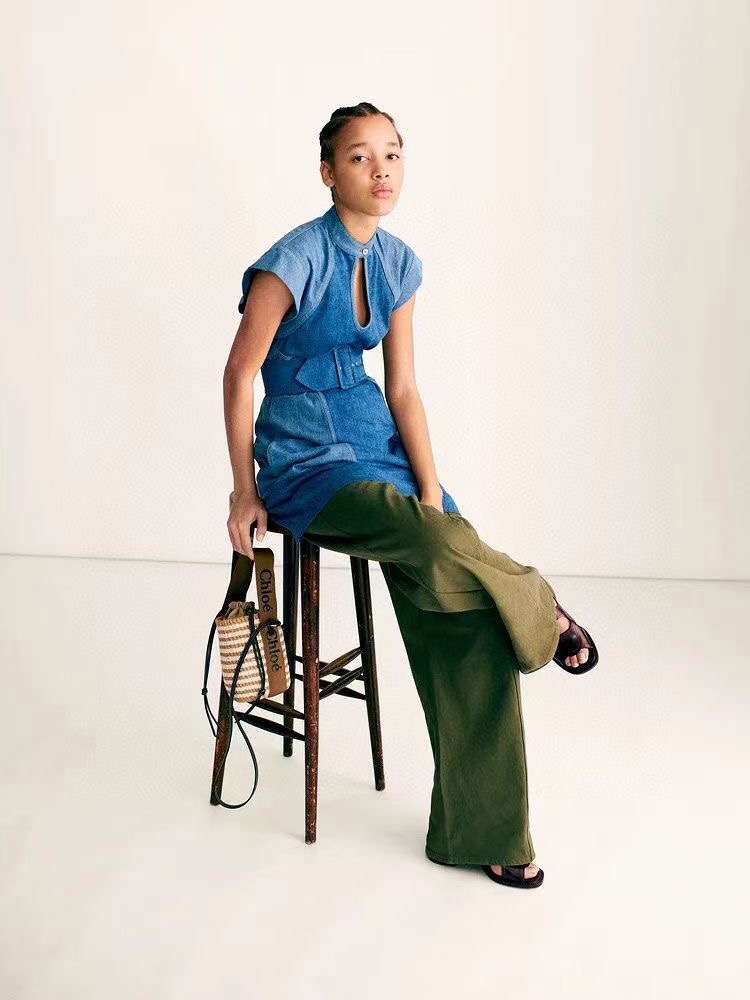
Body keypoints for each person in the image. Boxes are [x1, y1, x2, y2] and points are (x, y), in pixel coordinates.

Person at [223, 102, 599, 889]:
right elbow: (238, 374)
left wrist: (431, 487)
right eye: (360, 157)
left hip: (378, 443)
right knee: (436, 543)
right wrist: (243, 492)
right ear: (328, 173)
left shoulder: (399, 264)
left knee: (464, 595)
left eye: (392, 154)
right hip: (305, 461)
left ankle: (481, 831)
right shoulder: (292, 260)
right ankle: (542, 603)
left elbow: (403, 388)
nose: (381, 170)